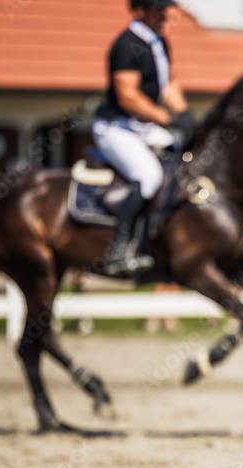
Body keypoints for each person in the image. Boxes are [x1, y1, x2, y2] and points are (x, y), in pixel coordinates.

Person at [93, 0, 197, 276]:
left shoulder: (159, 43)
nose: (164, 15)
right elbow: (128, 96)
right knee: (149, 177)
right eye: (158, 10)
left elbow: (169, 83)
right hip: (117, 128)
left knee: (185, 161)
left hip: (145, 127)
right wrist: (167, 118)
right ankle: (119, 249)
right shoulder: (127, 45)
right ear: (141, 10)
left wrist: (184, 113)